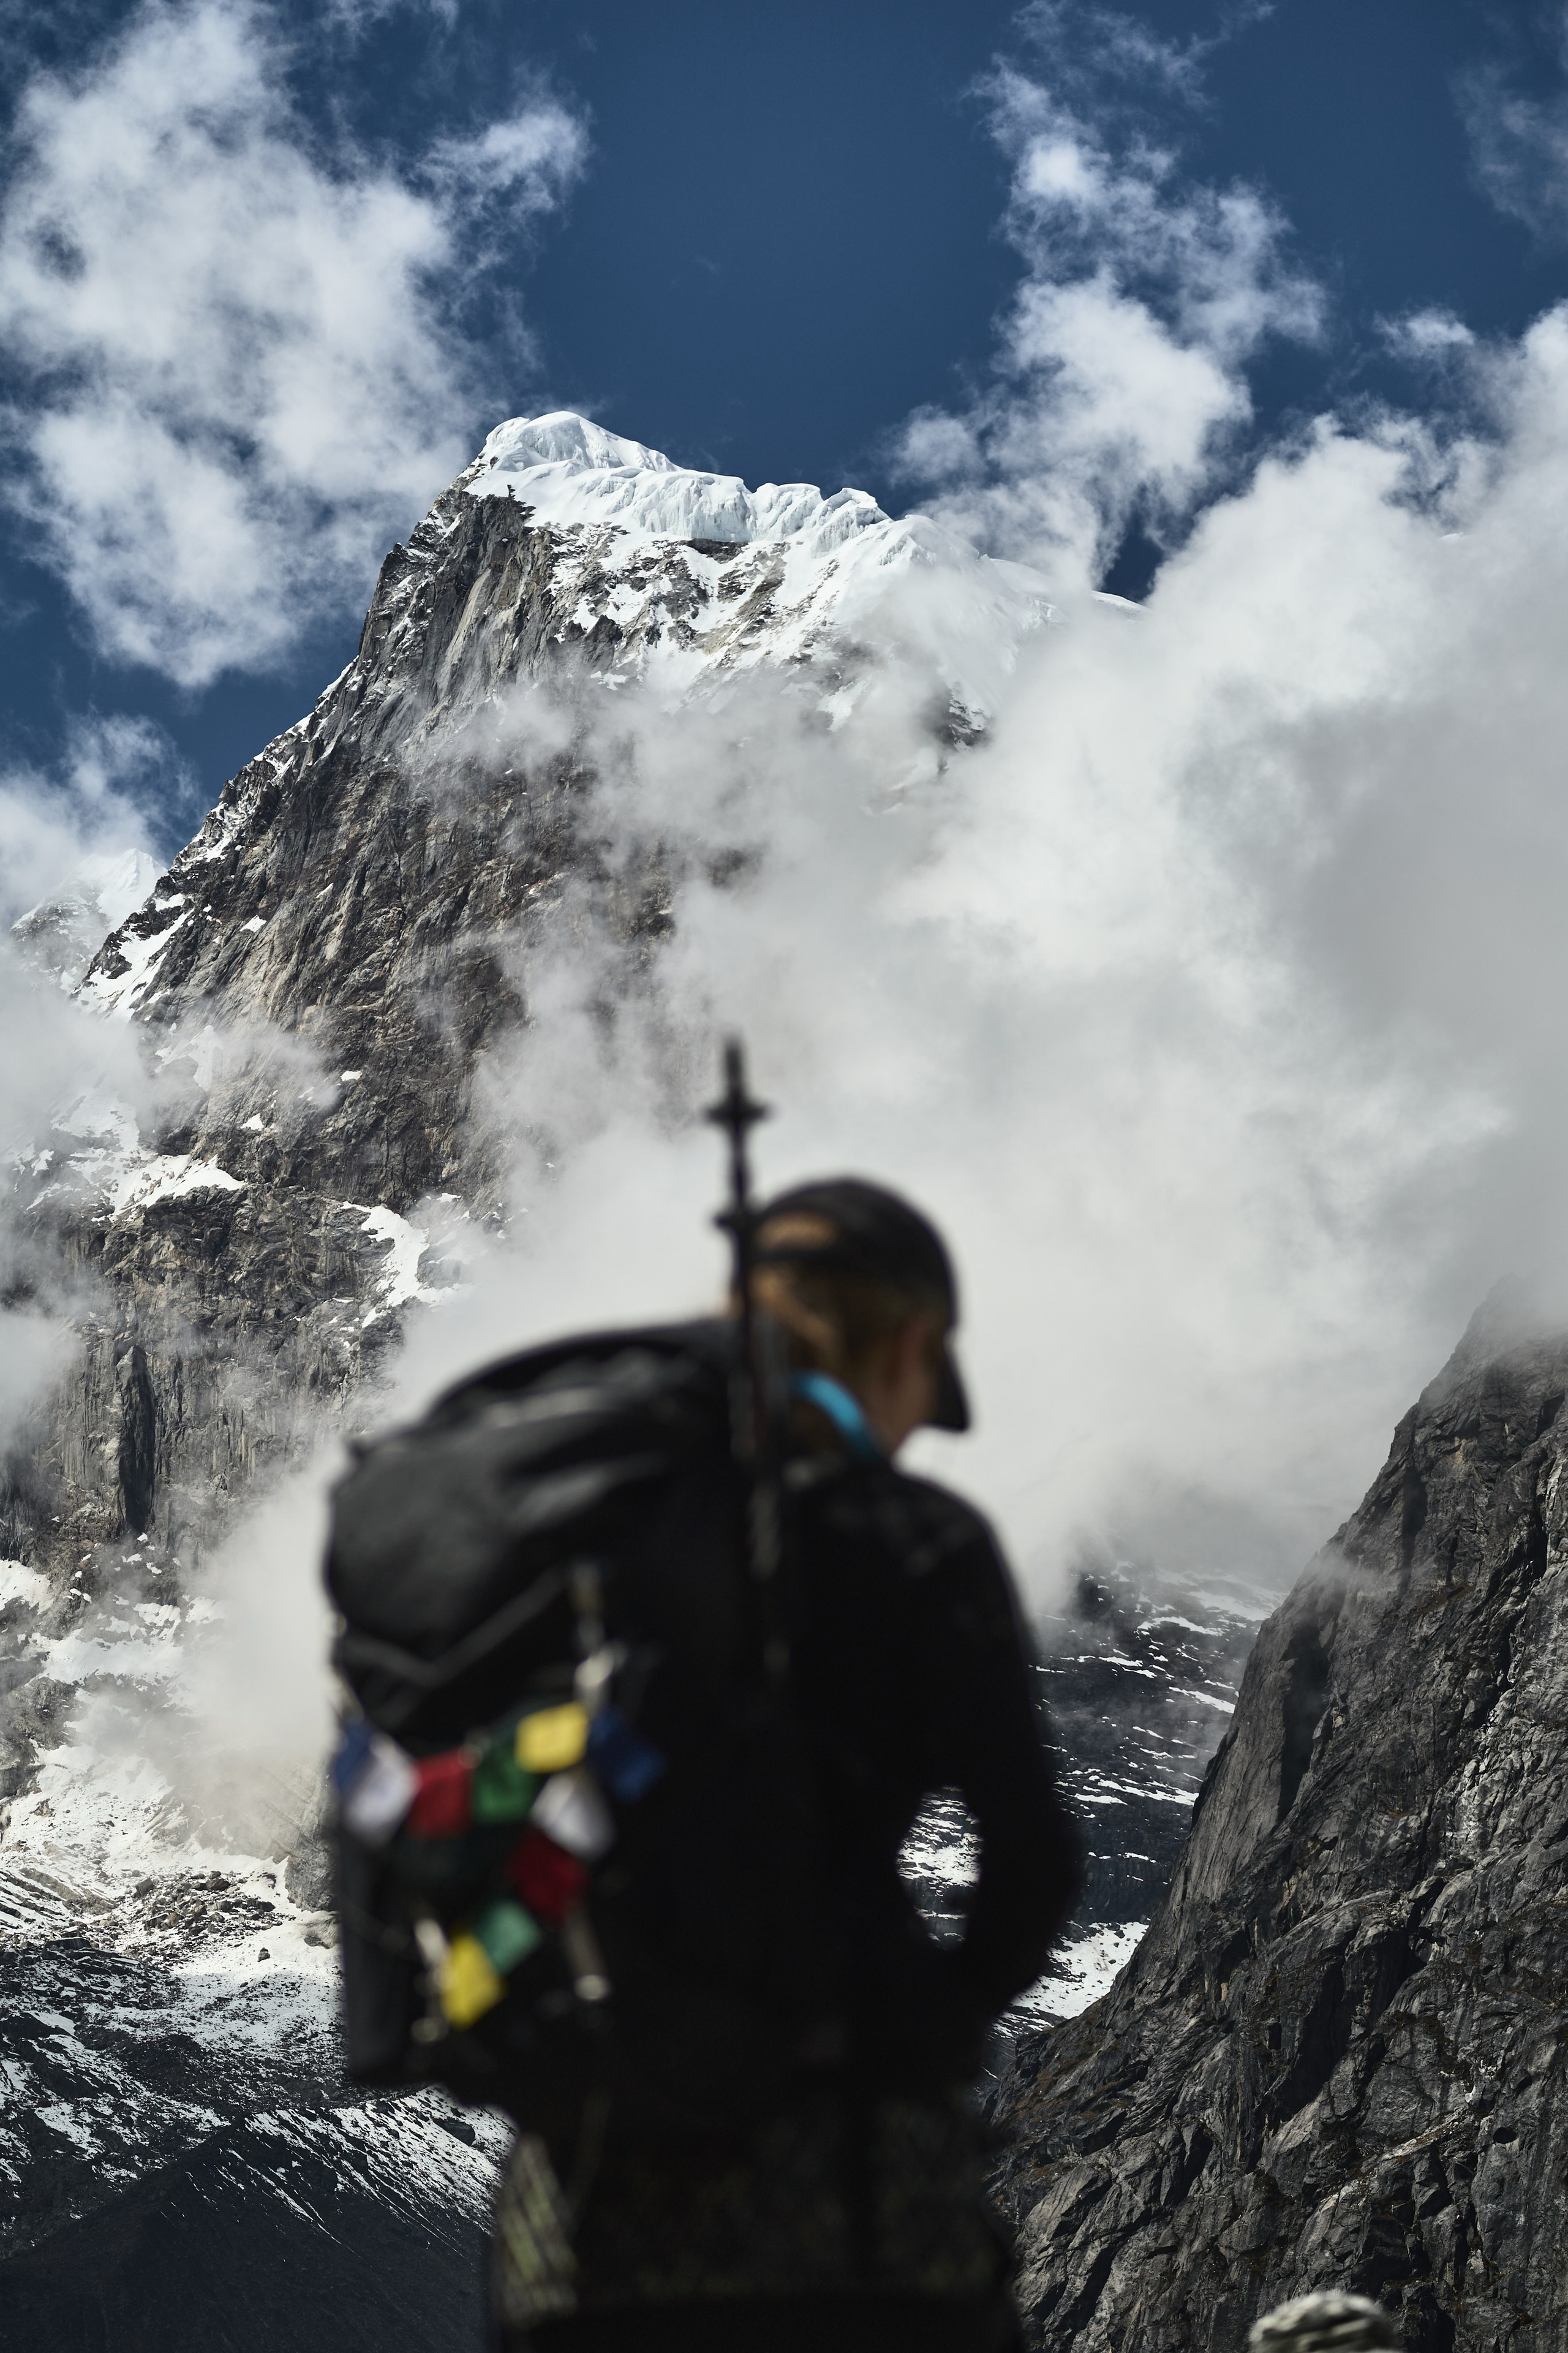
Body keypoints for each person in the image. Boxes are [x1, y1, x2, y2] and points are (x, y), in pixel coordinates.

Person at [489, 1176, 1084, 2353]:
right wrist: (930, 2028)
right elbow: (1032, 1860)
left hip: (580, 2222)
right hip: (858, 2207)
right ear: (909, 1343)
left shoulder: (575, 1532)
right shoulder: (919, 1539)